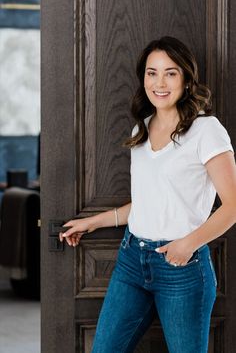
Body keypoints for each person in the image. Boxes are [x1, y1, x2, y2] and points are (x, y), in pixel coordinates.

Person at [59, 36, 236, 353]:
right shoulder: (140, 129)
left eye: (170, 72)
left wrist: (187, 244)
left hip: (182, 268)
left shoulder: (206, 130)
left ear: (185, 78)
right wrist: (92, 223)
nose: (160, 82)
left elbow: (233, 207)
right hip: (131, 261)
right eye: (152, 73)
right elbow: (147, 202)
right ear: (143, 79)